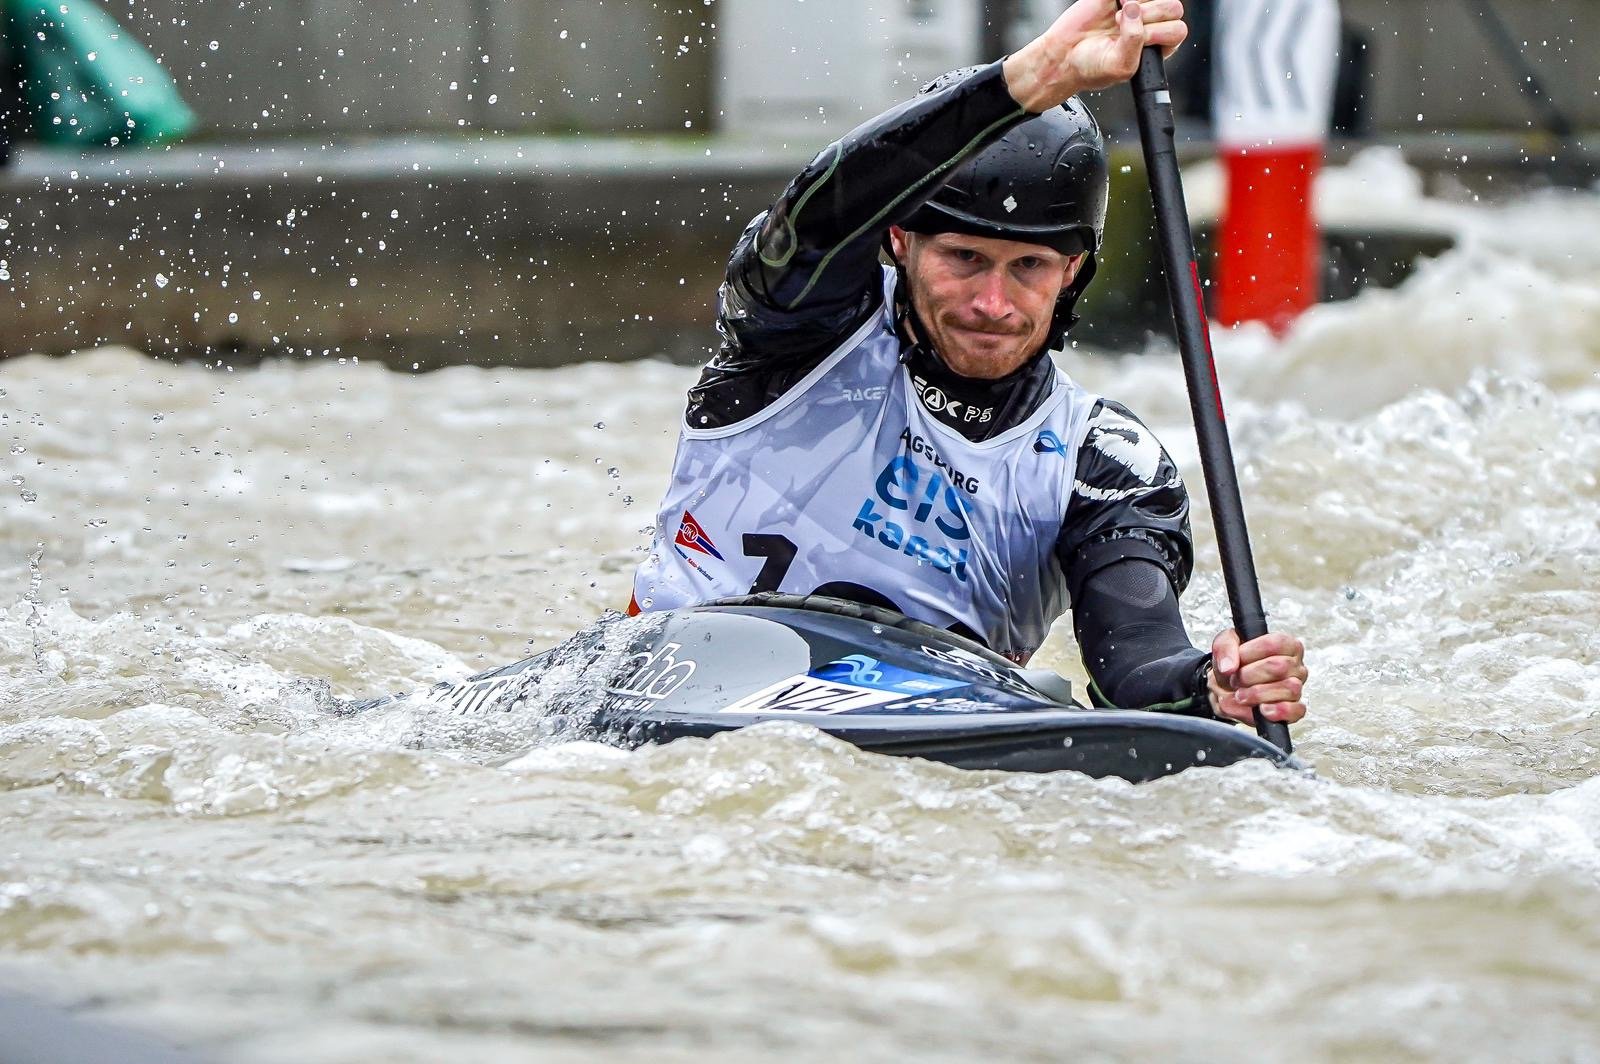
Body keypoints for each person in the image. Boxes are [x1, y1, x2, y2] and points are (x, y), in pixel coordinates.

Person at [631, 0, 1307, 727]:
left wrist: (1213, 686)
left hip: (917, 734)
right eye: (965, 258)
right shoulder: (802, 330)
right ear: (899, 238)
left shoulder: (1103, 463)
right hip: (686, 678)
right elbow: (824, 210)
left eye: (1029, 267)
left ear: (1073, 271)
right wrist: (1027, 80)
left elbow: (1134, 673)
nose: (993, 302)